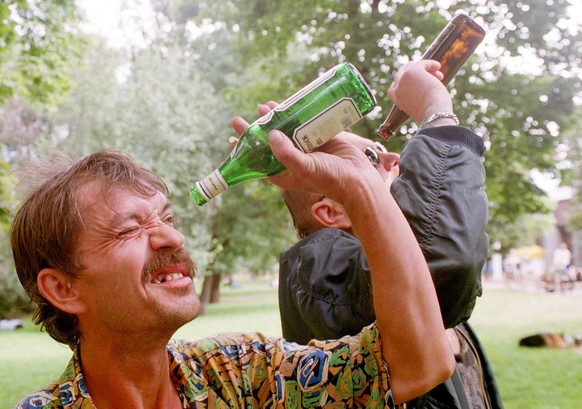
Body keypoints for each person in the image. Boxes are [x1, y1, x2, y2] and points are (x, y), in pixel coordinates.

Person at [11, 64, 455, 408]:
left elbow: (419, 364)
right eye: (130, 228)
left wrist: (359, 185)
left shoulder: (240, 373)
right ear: (62, 288)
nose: (169, 236)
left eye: (165, 218)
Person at [272, 61, 503, 408]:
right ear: (331, 212)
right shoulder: (315, 266)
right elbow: (442, 261)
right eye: (369, 156)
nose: (394, 156)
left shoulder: (372, 264)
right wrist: (436, 114)